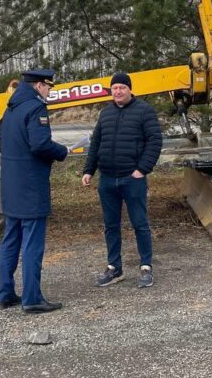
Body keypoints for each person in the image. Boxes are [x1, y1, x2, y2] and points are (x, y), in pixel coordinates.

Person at [0, 67, 70, 314]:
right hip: (30, 185)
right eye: (49, 87)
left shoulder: (10, 109)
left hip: (11, 185)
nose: (50, 91)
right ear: (39, 85)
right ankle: (32, 298)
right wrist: (62, 152)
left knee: (11, 239)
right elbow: (39, 144)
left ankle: (5, 293)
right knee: (32, 243)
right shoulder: (36, 108)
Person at [81, 72, 163, 289]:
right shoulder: (106, 113)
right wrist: (88, 170)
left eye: (121, 88)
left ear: (129, 89)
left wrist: (142, 169)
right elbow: (96, 143)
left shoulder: (144, 111)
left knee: (140, 224)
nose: (117, 91)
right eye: (114, 88)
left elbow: (155, 140)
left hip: (132, 179)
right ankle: (114, 268)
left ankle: (146, 267)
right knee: (111, 226)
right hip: (107, 180)